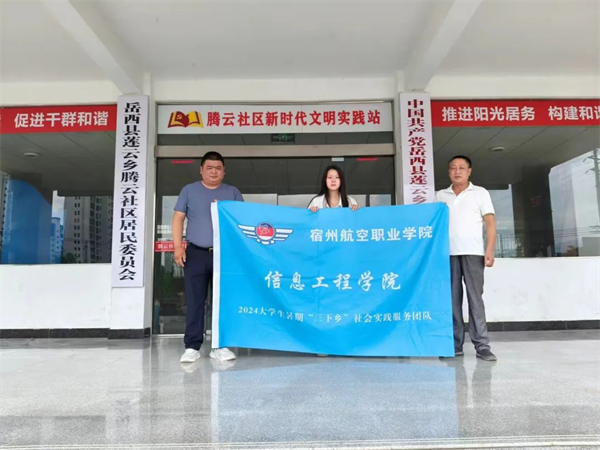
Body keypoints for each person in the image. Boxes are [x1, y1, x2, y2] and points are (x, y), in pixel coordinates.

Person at [173, 151, 244, 363]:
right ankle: (192, 346)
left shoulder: (232, 192)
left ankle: (220, 345)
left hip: (225, 255)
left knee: (223, 301)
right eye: (209, 168)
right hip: (196, 253)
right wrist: (178, 247)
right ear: (201, 170)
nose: (214, 172)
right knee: (195, 300)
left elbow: (241, 221)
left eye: (218, 168)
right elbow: (178, 218)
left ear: (224, 171)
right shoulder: (189, 190)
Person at [435, 155, 497, 362]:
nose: (457, 171)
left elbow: (490, 223)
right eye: (453, 168)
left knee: (475, 299)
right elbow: (433, 225)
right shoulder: (441, 195)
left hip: (473, 253)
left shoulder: (480, 193)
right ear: (448, 172)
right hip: (447, 254)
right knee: (452, 301)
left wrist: (489, 250)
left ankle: (482, 346)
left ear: (469, 171)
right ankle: (455, 344)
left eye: (462, 168)